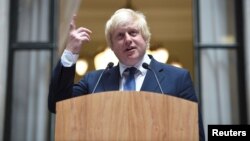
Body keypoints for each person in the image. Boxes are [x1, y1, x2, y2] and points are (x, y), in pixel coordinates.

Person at [48, 8, 205, 140]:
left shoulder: (178, 78)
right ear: (112, 47)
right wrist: (70, 52)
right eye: (120, 36)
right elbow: (58, 105)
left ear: (145, 38)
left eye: (133, 32)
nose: (128, 40)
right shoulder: (94, 81)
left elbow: (195, 133)